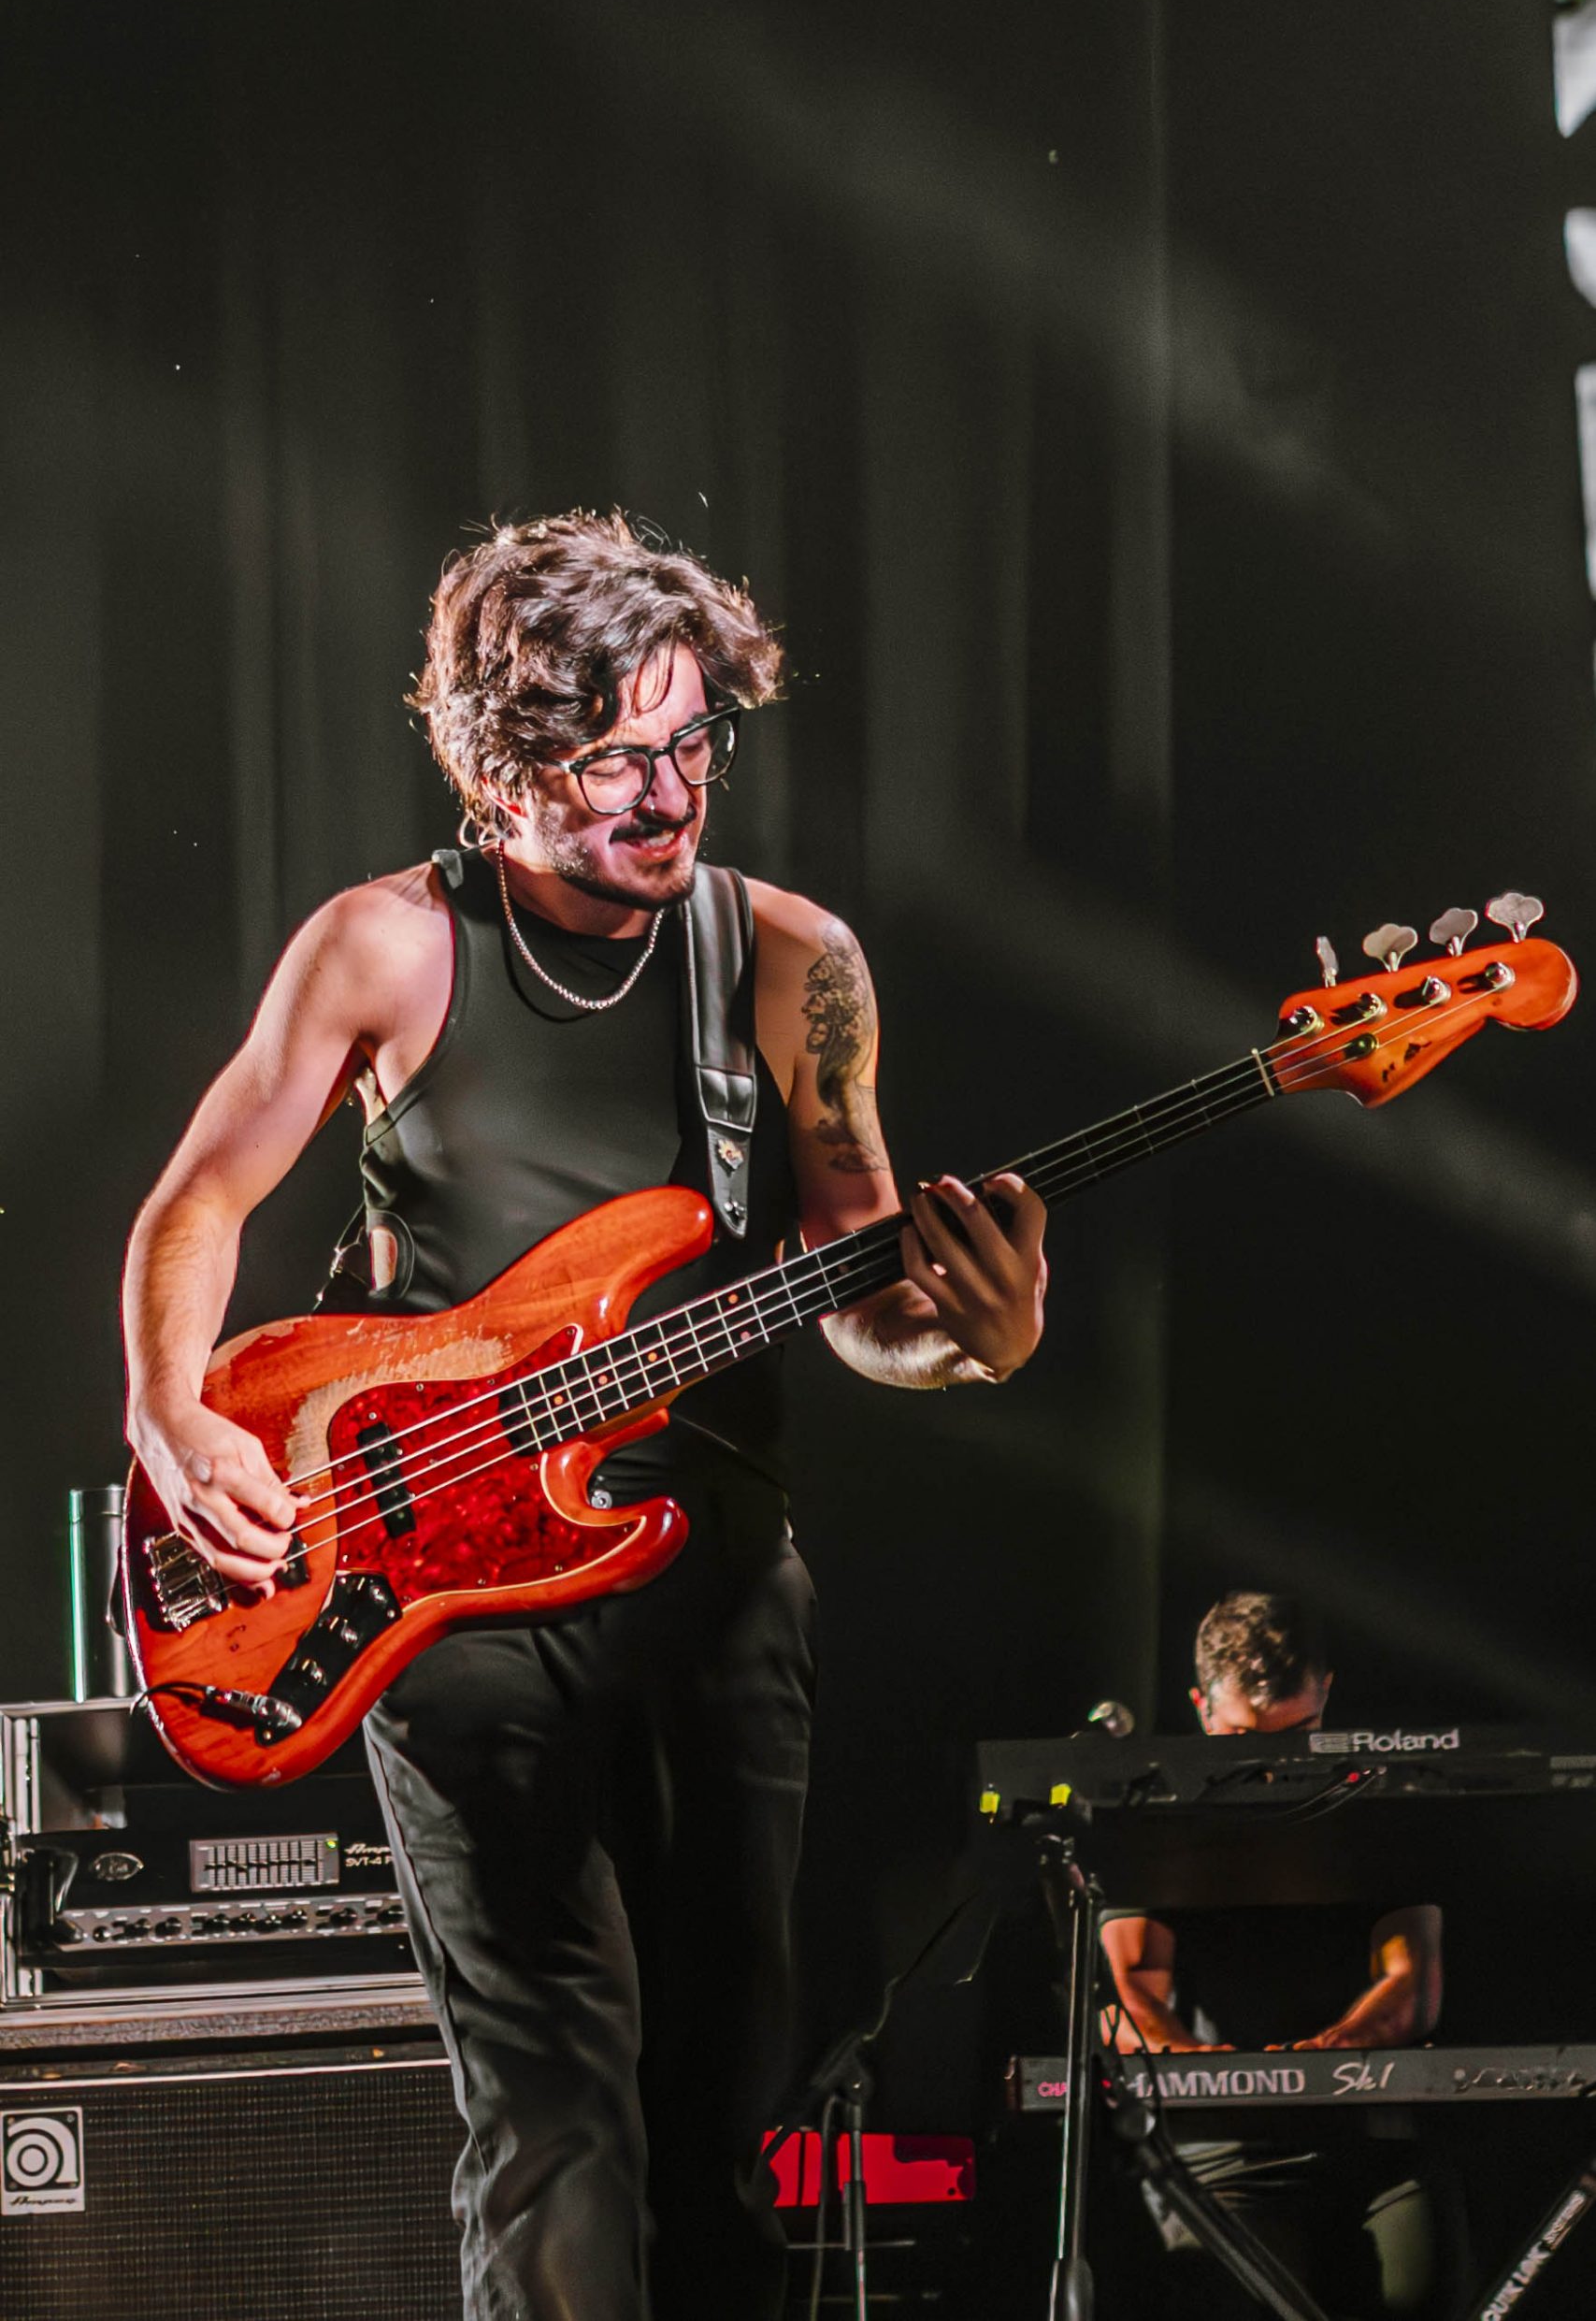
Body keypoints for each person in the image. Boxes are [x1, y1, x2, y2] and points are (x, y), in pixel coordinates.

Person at [121, 511, 1049, 2321]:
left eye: (695, 741)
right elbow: (198, 1203)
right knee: (551, 2112)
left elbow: (862, 1297)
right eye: (616, 757)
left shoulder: (790, 961)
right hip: (440, 1596)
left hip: (714, 1588)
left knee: (723, 2122)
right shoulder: (383, 946)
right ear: (495, 764)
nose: (669, 791)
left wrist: (976, 1346)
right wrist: (171, 1410)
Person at [1100, 1593, 1448, 2318]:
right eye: (1241, 1739)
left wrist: (1326, 2057)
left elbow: (1410, 1980)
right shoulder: (1150, 1818)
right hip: (1225, 2154)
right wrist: (1216, 2073)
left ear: (1326, 1694)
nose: (1271, 1766)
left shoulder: (1384, 1806)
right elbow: (1129, 1993)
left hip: (1372, 2140)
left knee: (1421, 2297)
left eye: (1299, 1734)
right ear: (1200, 1708)